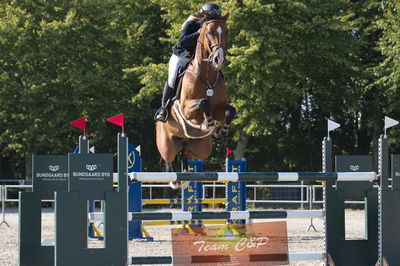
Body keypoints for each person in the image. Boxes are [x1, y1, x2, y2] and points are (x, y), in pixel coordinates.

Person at [154, 3, 222, 122]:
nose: (212, 20)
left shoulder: (213, 28)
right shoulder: (191, 23)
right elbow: (183, 42)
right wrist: (198, 33)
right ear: (203, 15)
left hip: (200, 60)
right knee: (172, 78)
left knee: (218, 74)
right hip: (182, 56)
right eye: (210, 17)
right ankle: (163, 108)